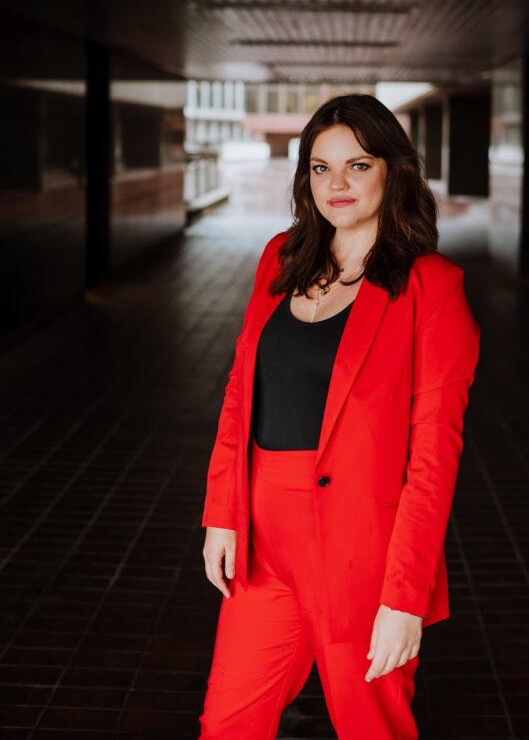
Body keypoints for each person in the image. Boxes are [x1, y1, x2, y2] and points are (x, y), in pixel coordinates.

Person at [197, 93, 481, 739]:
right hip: (264, 539)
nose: (337, 184)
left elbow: (434, 458)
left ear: (393, 171)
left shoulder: (430, 286)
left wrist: (404, 599)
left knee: (368, 726)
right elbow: (242, 392)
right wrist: (221, 513)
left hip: (361, 552)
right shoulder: (280, 257)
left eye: (357, 165)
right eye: (320, 168)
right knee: (227, 723)